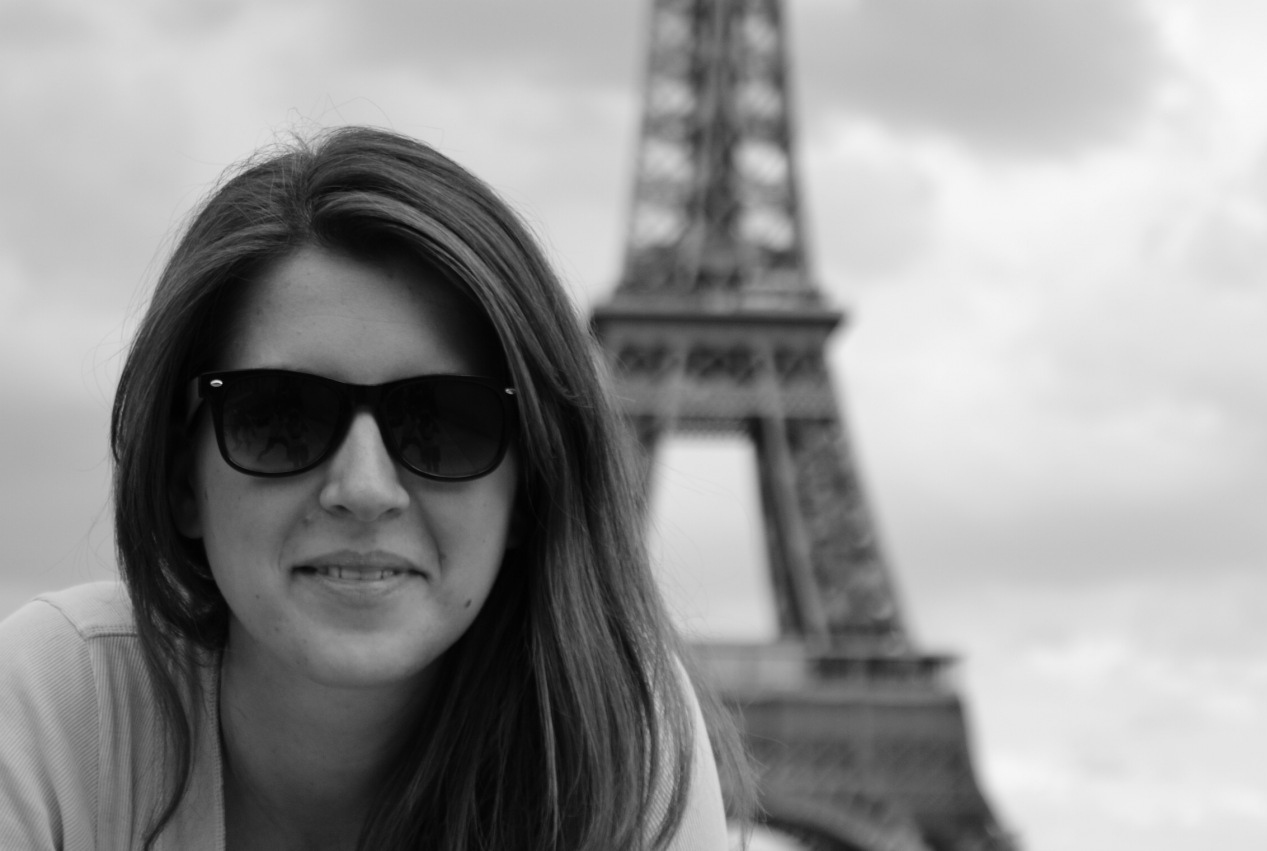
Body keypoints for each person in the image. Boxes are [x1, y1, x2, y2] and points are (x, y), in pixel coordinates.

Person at [0, 126, 750, 850]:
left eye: (444, 422)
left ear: (528, 489)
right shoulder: (52, 705)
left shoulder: (619, 735)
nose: (363, 489)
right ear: (181, 479)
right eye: (282, 416)